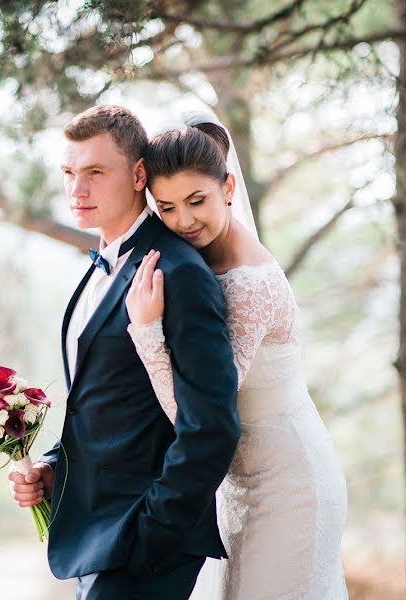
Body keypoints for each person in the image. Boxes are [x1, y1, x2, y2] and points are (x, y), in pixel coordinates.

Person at [8, 105, 240, 599]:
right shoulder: (99, 266)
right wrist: (52, 466)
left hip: (142, 541)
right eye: (69, 173)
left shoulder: (178, 273)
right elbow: (106, 405)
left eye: (95, 172)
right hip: (95, 534)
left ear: (139, 174)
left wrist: (154, 532)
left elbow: (211, 424)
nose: (77, 190)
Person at [124, 112, 348, 599]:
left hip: (290, 483)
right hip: (234, 484)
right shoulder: (195, 260)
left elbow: (196, 414)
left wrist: (146, 332)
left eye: (196, 201)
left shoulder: (249, 283)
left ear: (227, 186)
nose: (184, 220)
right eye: (167, 207)